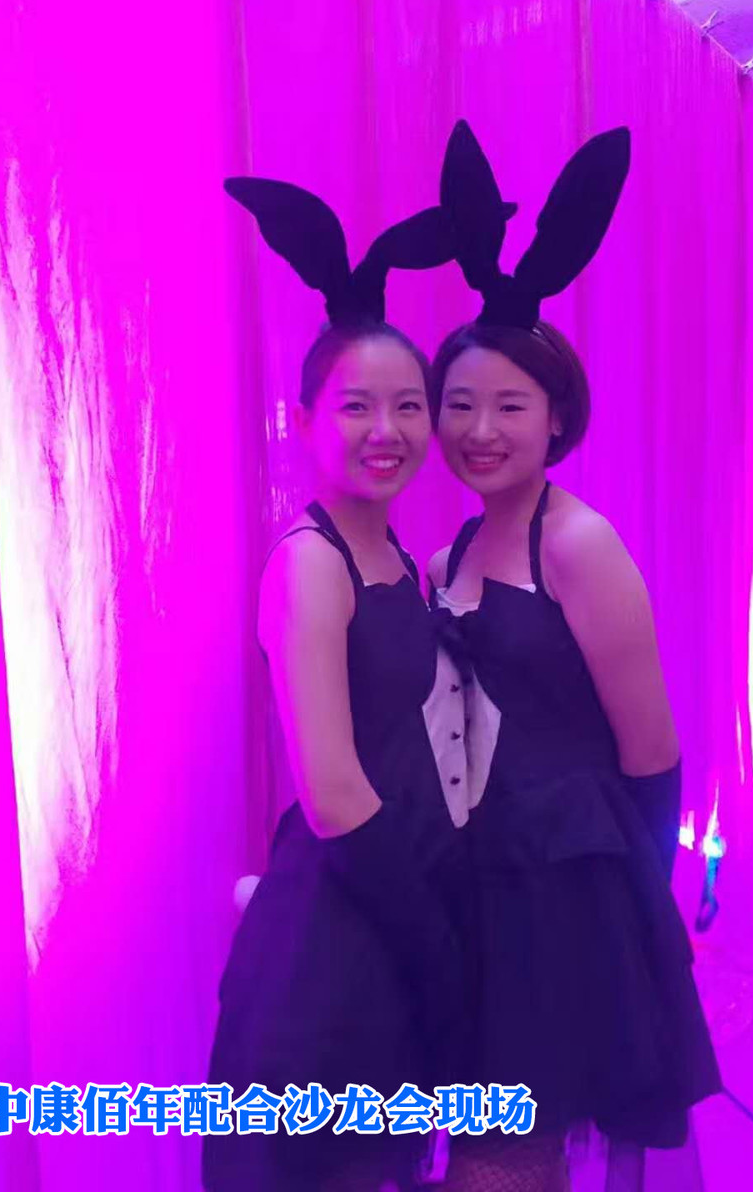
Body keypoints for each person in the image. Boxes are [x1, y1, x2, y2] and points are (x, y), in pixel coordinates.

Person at [427, 122, 722, 1191]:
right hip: (478, 878)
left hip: (569, 890)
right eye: (459, 404)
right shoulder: (452, 549)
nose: (481, 428)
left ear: (557, 419)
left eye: (509, 405)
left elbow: (651, 750)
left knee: (514, 1142)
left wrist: (646, 911)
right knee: (498, 1134)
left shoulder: (579, 544)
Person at [204, 174, 470, 1192]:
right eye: (356, 406)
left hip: (388, 909)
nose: (385, 429)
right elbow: (334, 793)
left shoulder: (401, 558)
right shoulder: (309, 562)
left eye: (408, 406)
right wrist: (438, 948)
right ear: (304, 417)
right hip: (333, 939)